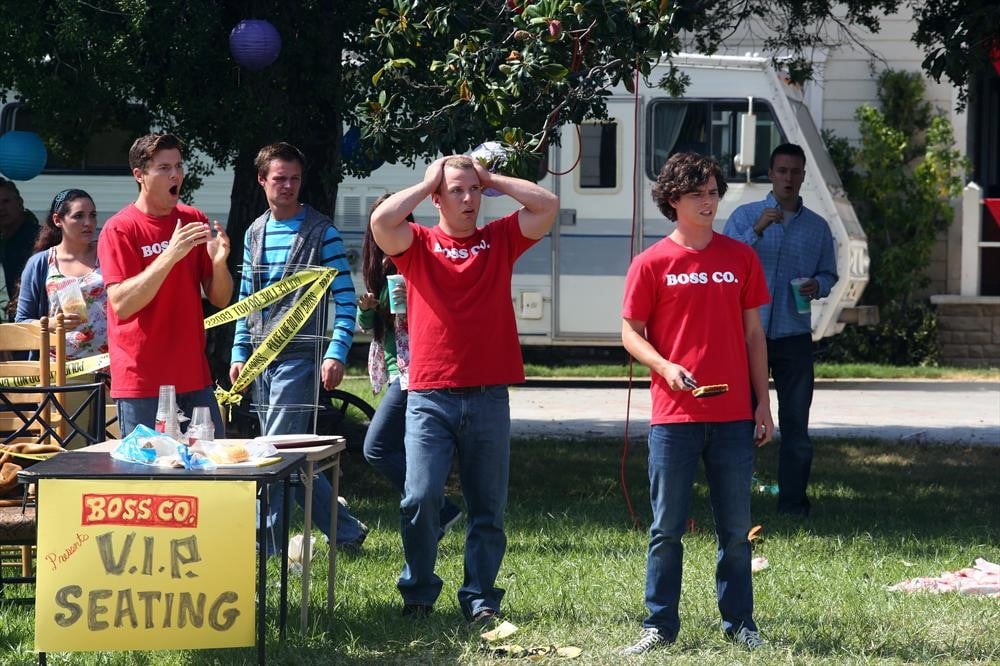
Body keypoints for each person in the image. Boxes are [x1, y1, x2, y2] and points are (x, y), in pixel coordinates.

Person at [370, 155, 559, 624]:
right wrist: (428, 180)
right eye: (457, 190)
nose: (469, 198)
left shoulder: (498, 240)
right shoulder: (417, 243)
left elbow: (547, 205)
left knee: (487, 507)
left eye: (474, 191)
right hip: (430, 394)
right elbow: (381, 221)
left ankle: (480, 598)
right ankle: (418, 590)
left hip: (488, 393)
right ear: (437, 197)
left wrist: (491, 177)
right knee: (420, 496)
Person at [620, 152, 773, 655]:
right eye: (697, 195)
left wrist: (762, 404)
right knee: (666, 528)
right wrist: (665, 367)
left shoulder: (740, 258)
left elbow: (754, 335)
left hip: (732, 417)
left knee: (735, 530)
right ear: (672, 201)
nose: (709, 203)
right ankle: (659, 625)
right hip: (674, 417)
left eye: (713, 192)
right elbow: (630, 332)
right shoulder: (651, 262)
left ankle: (740, 623)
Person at [229, 142, 367, 553]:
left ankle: (262, 543)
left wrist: (336, 352)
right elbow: (247, 300)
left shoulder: (322, 232)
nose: (288, 186)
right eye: (279, 178)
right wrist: (239, 353)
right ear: (262, 181)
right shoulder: (254, 232)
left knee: (271, 451)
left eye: (294, 178)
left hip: (300, 358)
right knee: (292, 458)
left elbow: (345, 300)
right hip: (260, 359)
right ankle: (345, 530)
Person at [723, 143, 838, 517]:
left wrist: (817, 286)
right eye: (782, 171)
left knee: (795, 425)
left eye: (795, 172)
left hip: (793, 335)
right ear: (770, 174)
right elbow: (727, 262)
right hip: (748, 334)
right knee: (740, 422)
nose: (789, 178)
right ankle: (734, 501)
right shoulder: (745, 216)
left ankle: (792, 504)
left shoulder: (817, 228)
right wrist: (758, 230)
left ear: (803, 176)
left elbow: (829, 273)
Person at [97, 133, 231, 436]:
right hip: (142, 381)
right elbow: (122, 303)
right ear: (140, 175)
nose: (176, 175)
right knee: (151, 478)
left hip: (193, 376)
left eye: (179, 166)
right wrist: (170, 255)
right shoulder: (120, 228)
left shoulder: (193, 219)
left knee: (215, 473)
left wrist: (220, 263)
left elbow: (220, 298)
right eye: (163, 168)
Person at [357, 196, 462, 537]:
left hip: (414, 368)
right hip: (397, 367)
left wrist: (387, 305)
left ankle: (437, 507)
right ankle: (433, 512)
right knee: (398, 446)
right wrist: (368, 308)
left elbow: (411, 316)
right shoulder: (379, 265)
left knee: (376, 447)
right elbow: (371, 325)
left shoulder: (411, 259)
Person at [16, 189, 108, 360]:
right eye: (78, 216)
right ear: (58, 220)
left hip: (109, 371)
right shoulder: (40, 263)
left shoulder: (107, 253)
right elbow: (21, 322)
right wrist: (51, 324)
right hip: (57, 373)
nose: (88, 222)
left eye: (92, 215)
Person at [0, 178, 41, 311]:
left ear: (20, 202)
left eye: (6, 201)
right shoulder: (6, 238)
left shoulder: (38, 238)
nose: (1, 208)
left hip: (38, 319)